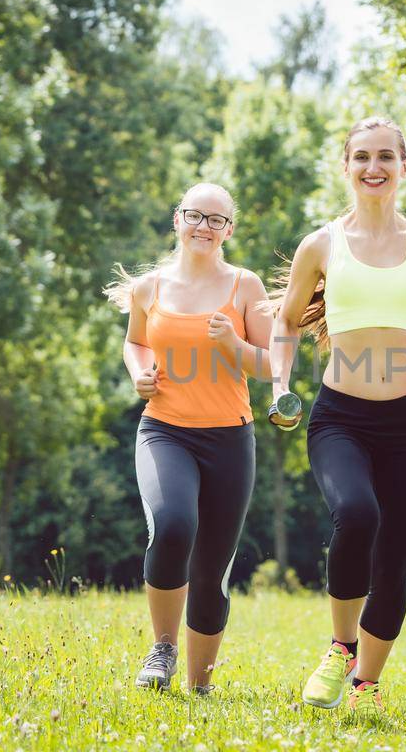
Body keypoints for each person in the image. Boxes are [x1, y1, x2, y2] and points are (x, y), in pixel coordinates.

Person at [268, 117, 406, 712]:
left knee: (396, 558)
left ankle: (365, 685)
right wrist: (280, 383)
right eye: (361, 157)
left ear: (404, 166)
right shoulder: (321, 244)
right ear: (346, 167)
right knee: (355, 515)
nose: (373, 168)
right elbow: (284, 321)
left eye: (385, 156)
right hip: (342, 419)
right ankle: (340, 647)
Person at [104, 182, 272, 695]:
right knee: (174, 527)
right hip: (165, 431)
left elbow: (271, 367)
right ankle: (162, 649)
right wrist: (139, 373)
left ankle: (200, 685)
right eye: (195, 215)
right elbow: (135, 342)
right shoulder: (149, 288)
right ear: (177, 219)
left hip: (228, 439)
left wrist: (234, 343)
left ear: (229, 230)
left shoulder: (246, 287)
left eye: (216, 219)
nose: (204, 226)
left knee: (212, 567)